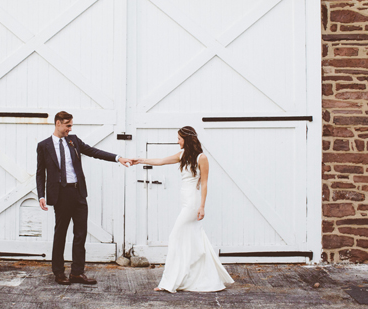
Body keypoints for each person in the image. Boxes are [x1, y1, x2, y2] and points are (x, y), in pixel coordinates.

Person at [131, 126, 234, 293]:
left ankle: (169, 282)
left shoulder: (202, 158)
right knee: (193, 239)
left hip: (193, 203)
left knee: (175, 237)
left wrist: (202, 206)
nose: (177, 141)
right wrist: (140, 160)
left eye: (179, 138)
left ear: (187, 139)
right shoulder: (182, 155)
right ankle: (199, 277)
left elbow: (205, 183)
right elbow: (161, 161)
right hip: (185, 201)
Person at [36, 111, 132, 285]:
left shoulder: (73, 141)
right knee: (60, 234)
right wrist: (41, 195)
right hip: (61, 195)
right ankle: (58, 272)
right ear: (58, 123)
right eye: (68, 125)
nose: (70, 129)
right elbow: (40, 173)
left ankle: (77, 273)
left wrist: (118, 158)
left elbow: (94, 151)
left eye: (71, 126)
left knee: (80, 234)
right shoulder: (44, 146)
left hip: (78, 193)